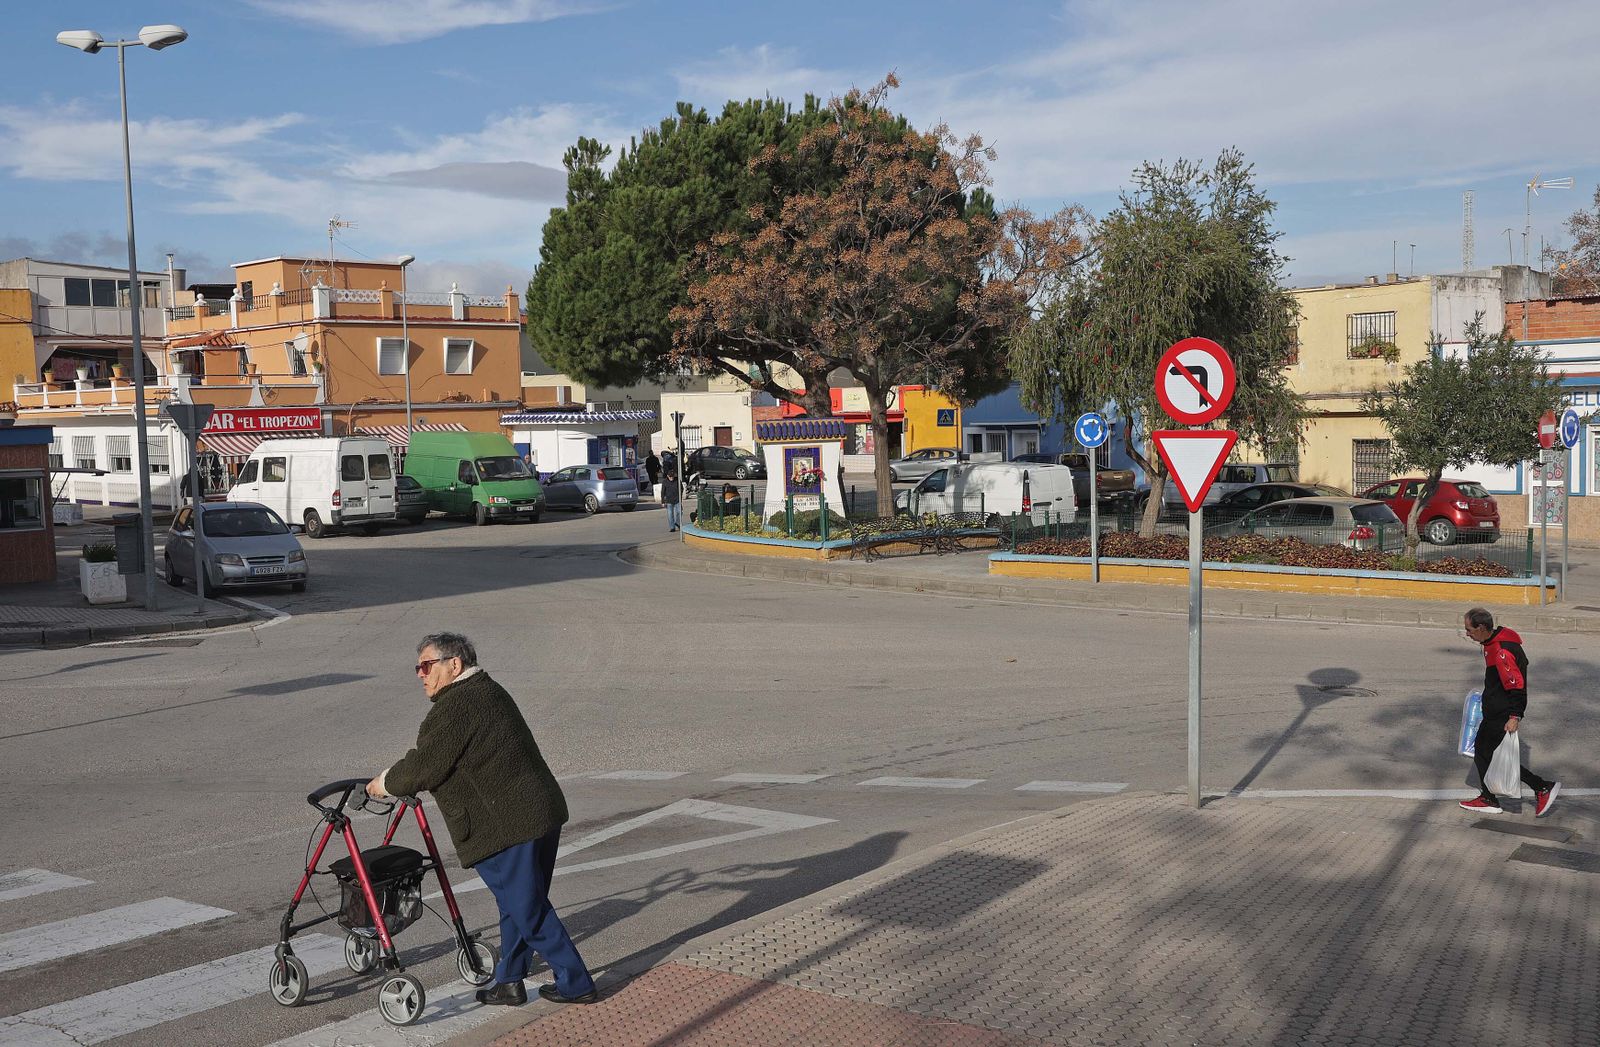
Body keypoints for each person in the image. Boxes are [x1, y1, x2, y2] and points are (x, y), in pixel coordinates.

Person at [367, 633, 597, 1006]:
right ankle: (510, 980)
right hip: (537, 812)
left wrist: (384, 783)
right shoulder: (487, 690)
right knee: (516, 904)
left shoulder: (457, 705)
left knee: (527, 909)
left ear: (454, 664)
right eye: (418, 668)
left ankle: (576, 983)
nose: (421, 674)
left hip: (507, 825)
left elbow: (425, 765)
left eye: (426, 666)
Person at [1459, 608, 1560, 817]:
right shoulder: (1491, 643)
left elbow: (1517, 686)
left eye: (1469, 629)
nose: (1467, 634)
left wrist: (1515, 716)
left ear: (1482, 627)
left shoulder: (1502, 651)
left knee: (1490, 755)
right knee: (1484, 752)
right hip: (1495, 709)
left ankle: (1541, 787)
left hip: (1502, 713)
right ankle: (1490, 797)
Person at [661, 455, 681, 531]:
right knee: (670, 514)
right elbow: (663, 492)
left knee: (679, 512)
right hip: (669, 500)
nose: (671, 478)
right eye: (670, 477)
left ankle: (677, 523)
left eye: (672, 476)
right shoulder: (665, 482)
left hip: (677, 499)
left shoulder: (677, 480)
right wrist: (663, 501)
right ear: (667, 476)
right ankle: (672, 527)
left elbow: (681, 488)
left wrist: (680, 497)